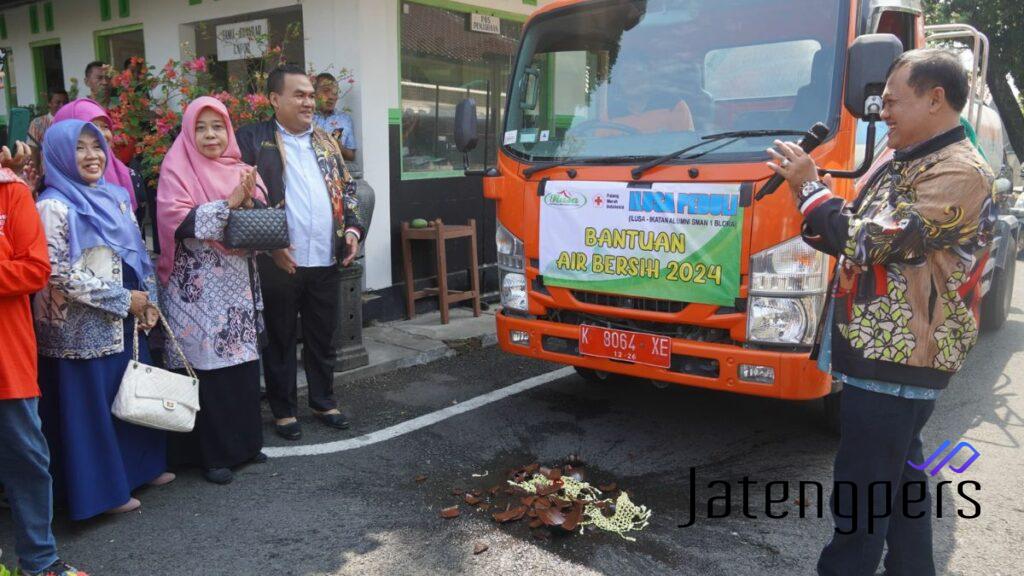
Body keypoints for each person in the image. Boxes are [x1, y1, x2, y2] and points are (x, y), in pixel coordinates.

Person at [766, 48, 994, 576]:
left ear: (936, 99)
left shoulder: (959, 172)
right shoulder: (909, 158)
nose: (882, 111)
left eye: (892, 101)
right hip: (887, 355)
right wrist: (820, 207)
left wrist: (808, 188)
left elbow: (873, 241)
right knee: (899, 485)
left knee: (861, 501)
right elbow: (854, 235)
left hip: (900, 357)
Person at [33, 120, 173, 520]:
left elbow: (138, 249)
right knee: (92, 409)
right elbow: (57, 272)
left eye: (97, 147)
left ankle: (140, 470)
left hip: (127, 315)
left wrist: (149, 302)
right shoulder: (53, 205)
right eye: (80, 148)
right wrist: (121, 299)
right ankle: (101, 494)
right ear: (59, 155)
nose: (92, 155)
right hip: (78, 329)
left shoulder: (114, 196)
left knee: (129, 392)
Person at [236, 65, 365, 441]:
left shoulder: (326, 142)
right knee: (279, 338)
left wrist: (353, 230)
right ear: (275, 100)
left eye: (310, 95)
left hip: (325, 258)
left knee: (323, 336)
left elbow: (348, 190)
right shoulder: (254, 139)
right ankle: (283, 410)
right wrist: (271, 247)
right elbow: (242, 197)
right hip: (278, 261)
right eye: (300, 94)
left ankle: (323, 401)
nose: (309, 101)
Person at [157, 97, 267, 485]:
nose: (210, 135)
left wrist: (250, 199)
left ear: (229, 130)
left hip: (237, 284)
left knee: (240, 367)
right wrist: (229, 203)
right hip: (198, 294)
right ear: (189, 130)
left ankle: (245, 446)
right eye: (201, 127)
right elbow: (178, 221)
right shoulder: (176, 167)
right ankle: (211, 456)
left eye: (217, 126)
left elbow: (261, 217)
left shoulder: (240, 168)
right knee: (206, 370)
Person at [0, 147, 86, 576]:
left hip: (6, 361)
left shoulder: (10, 195)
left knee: (27, 463)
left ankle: (40, 562)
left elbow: (35, 270)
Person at [53, 98, 139, 212]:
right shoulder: (53, 203)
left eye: (105, 127)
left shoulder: (128, 177)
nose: (101, 134)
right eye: (92, 126)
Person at [312, 73, 358, 161]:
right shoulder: (305, 117)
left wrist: (339, 147)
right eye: (326, 91)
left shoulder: (345, 119)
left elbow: (351, 156)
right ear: (314, 93)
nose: (331, 97)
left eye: (335, 92)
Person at [27, 90, 69, 159]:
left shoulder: (72, 122)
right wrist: (36, 169)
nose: (62, 105)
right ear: (49, 103)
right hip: (46, 168)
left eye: (65, 102)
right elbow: (34, 149)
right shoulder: (37, 123)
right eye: (58, 102)